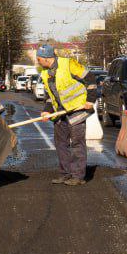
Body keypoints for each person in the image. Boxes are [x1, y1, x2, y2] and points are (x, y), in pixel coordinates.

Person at [36, 44, 92, 186]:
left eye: (38, 59)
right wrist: (47, 110)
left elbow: (90, 78)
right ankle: (65, 174)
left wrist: (91, 100)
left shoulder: (68, 64)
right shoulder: (45, 73)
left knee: (77, 143)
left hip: (77, 109)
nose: (37, 61)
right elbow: (50, 96)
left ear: (47, 58)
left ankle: (78, 176)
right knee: (61, 144)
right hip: (60, 112)